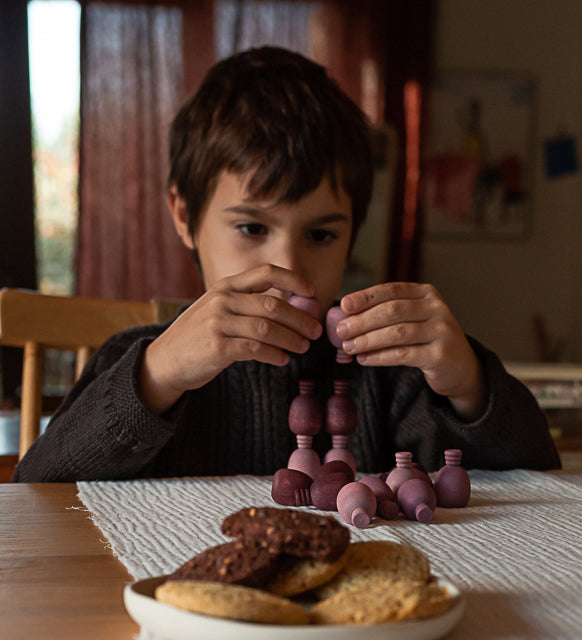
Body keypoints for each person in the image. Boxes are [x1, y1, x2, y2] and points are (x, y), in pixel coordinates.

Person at [13, 47, 560, 482]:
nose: (289, 269)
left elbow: (537, 485)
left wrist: (468, 385)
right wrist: (156, 376)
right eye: (252, 228)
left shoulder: (389, 378)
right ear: (184, 215)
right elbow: (35, 492)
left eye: (320, 234)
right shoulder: (142, 367)